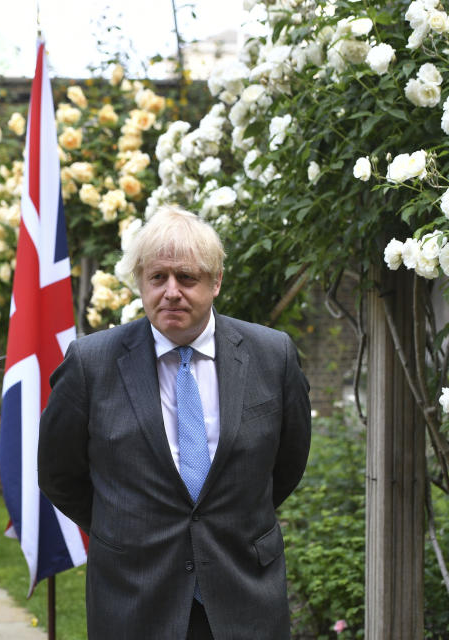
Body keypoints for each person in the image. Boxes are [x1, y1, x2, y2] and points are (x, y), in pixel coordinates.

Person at [38, 206, 311, 640]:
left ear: (215, 281)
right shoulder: (91, 364)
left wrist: (231, 519)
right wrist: (125, 523)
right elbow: (58, 473)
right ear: (141, 282)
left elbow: (288, 462)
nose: (171, 292)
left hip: (244, 591)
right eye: (157, 278)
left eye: (187, 278)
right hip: (134, 592)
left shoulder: (271, 355)